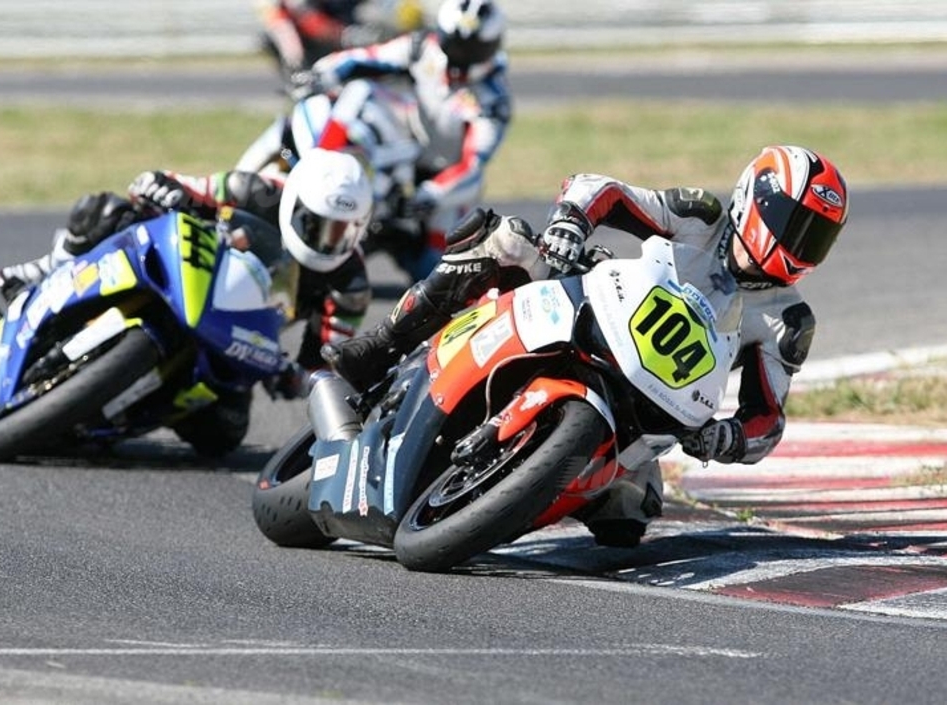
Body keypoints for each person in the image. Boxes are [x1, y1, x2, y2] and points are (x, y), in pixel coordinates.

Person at [323, 144, 850, 548]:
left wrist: (728, 438)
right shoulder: (701, 216)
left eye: (817, 237)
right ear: (757, 201)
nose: (801, 246)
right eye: (796, 225)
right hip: (593, 317)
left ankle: (520, 491)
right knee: (505, 239)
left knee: (628, 522)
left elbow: (768, 419)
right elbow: (605, 190)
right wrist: (571, 222)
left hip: (648, 410)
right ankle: (384, 344)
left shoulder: (788, 320)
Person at [0, 148, 374, 448]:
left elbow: (325, 360)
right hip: (190, 277)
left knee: (223, 433)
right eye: (315, 224)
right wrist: (165, 188)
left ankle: (118, 417)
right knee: (108, 211)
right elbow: (177, 184)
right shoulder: (256, 189)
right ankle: (44, 270)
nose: (328, 240)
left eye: (342, 231)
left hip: (238, 338)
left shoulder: (351, 286)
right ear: (295, 203)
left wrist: (296, 378)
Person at [293, 0, 511, 281]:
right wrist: (322, 73)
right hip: (405, 151)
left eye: (473, 49)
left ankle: (399, 243)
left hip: (445, 184)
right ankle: (321, 167)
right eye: (455, 45)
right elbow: (365, 57)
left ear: (492, 47)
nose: (461, 56)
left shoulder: (493, 99)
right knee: (360, 91)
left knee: (440, 274)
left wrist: (430, 195)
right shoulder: (422, 48)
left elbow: (472, 165)